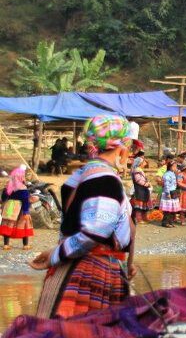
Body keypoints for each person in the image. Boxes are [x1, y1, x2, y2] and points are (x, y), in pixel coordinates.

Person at [30, 115, 136, 319]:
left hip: (72, 267)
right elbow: (95, 232)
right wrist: (54, 255)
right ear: (121, 149)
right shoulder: (104, 179)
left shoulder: (80, 175)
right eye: (128, 148)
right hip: (90, 272)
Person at [1, 165, 33, 250]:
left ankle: (6, 245)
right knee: (24, 224)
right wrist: (26, 212)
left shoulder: (9, 186)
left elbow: (3, 198)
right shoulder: (22, 188)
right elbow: (25, 201)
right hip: (20, 207)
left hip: (10, 207)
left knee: (8, 223)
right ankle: (25, 245)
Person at [130, 151, 153, 223]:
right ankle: (139, 219)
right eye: (143, 162)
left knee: (144, 204)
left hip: (143, 190)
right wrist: (146, 184)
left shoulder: (140, 170)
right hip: (139, 189)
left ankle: (144, 217)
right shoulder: (137, 170)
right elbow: (138, 180)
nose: (145, 163)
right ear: (140, 163)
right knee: (139, 205)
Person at [160, 161, 181, 228]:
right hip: (168, 193)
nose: (175, 168)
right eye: (174, 166)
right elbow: (166, 185)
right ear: (170, 167)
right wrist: (167, 193)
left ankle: (171, 222)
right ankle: (165, 223)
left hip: (173, 192)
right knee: (167, 210)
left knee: (172, 210)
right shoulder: (167, 175)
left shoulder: (173, 173)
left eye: (176, 166)